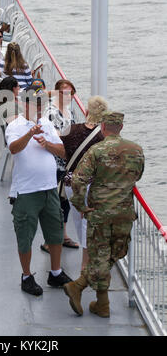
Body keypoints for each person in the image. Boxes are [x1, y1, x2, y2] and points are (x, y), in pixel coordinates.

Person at [63, 111, 145, 318]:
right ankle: (102, 304)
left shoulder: (96, 150)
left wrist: (81, 205)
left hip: (99, 212)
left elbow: (78, 180)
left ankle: (79, 286)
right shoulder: (136, 150)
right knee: (114, 254)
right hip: (124, 212)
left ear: (103, 128)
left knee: (100, 255)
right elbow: (138, 175)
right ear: (121, 128)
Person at [5, 85, 72, 296]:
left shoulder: (48, 124)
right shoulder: (15, 126)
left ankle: (55, 272)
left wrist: (47, 144)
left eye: (43, 102)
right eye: (37, 102)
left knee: (55, 232)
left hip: (50, 189)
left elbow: (63, 151)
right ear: (24, 103)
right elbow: (14, 149)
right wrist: (30, 133)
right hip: (26, 191)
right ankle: (26, 276)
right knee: (25, 235)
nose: (41, 106)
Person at [60, 95, 108, 270]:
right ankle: (86, 263)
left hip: (71, 183)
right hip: (91, 185)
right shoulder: (104, 136)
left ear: (86, 112)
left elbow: (60, 148)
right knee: (90, 223)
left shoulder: (70, 129)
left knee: (79, 221)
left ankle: (85, 258)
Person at [40, 79, 79, 254]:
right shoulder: (51, 112)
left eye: (70, 92)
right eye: (63, 92)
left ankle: (62, 236)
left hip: (68, 163)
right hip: (55, 163)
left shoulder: (70, 110)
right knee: (53, 203)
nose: (68, 96)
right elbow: (55, 137)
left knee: (64, 201)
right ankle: (49, 240)